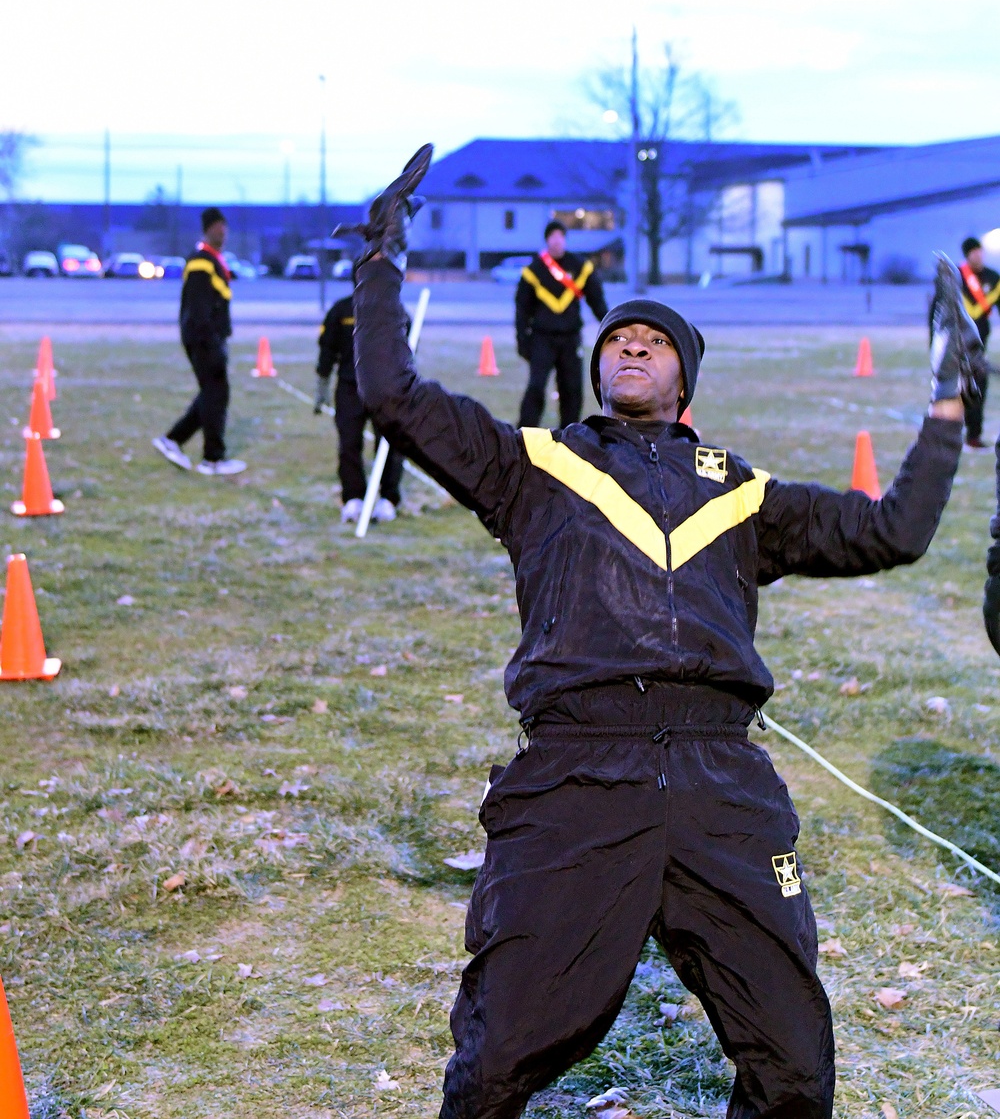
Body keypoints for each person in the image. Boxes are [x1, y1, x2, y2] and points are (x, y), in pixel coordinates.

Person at [351, 147, 977, 1119]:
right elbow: (393, 395)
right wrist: (380, 266)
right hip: (575, 774)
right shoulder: (538, 465)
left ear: (686, 375)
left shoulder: (744, 491)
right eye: (618, 339)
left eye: (654, 338)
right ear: (598, 369)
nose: (630, 345)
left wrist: (947, 402)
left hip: (722, 780)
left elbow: (893, 530)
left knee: (794, 1066)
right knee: (497, 1057)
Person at [152, 207, 246, 476]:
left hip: (210, 338)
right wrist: (210, 339)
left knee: (213, 393)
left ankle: (174, 441)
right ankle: (211, 458)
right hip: (204, 339)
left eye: (225, 227)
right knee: (216, 392)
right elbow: (198, 308)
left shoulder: (215, 260)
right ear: (207, 229)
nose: (223, 232)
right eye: (218, 227)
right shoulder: (200, 261)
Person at [314, 272, 403, 524]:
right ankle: (354, 498)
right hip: (349, 387)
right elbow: (327, 349)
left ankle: (388, 498)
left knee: (390, 444)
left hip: (384, 389)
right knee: (349, 443)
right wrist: (322, 385)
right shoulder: (341, 311)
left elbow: (406, 349)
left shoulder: (391, 310)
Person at [515, 219, 608, 428]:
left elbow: (597, 302)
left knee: (572, 389)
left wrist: (612, 324)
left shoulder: (580, 267)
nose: (557, 241)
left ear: (565, 240)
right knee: (536, 387)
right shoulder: (534, 271)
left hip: (570, 338)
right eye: (552, 237)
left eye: (560, 237)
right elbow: (522, 310)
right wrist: (522, 340)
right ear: (547, 241)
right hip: (542, 338)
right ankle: (525, 431)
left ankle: (570, 433)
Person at [958, 235, 1000, 448]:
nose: (979, 255)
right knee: (957, 390)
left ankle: (974, 435)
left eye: (980, 251)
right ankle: (954, 433)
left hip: (979, 344)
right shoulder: (956, 277)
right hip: (956, 344)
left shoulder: (993, 278)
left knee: (978, 387)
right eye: (974, 252)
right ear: (967, 255)